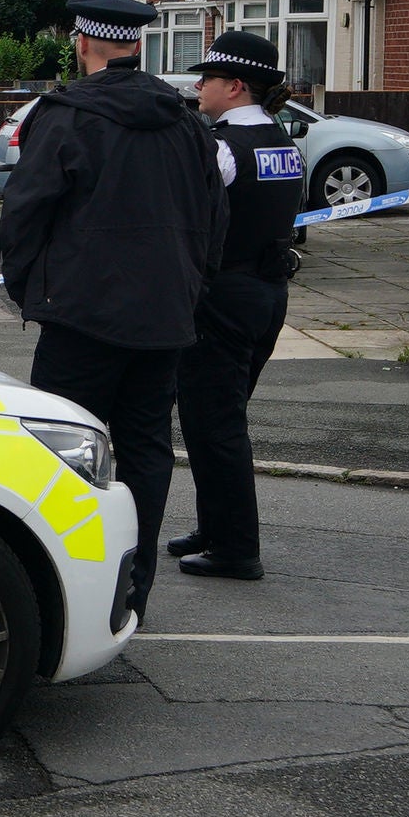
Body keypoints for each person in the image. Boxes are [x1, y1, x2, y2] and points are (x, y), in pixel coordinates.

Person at [0, 0, 224, 627]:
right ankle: (132, 590)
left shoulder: (63, 117)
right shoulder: (186, 123)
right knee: (147, 452)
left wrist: (27, 289)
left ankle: (59, 594)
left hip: (81, 321)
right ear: (137, 46)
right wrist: (190, 289)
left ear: (82, 43)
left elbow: (24, 213)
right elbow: (214, 220)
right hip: (163, 320)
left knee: (57, 454)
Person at [167, 29, 305, 581]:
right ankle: (214, 526)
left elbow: (192, 217)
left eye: (210, 78)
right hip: (268, 294)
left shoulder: (222, 148)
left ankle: (235, 548)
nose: (199, 85)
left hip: (224, 294)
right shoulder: (282, 145)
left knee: (214, 423)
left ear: (237, 86)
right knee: (217, 417)